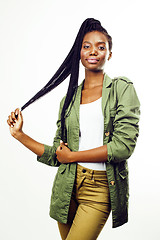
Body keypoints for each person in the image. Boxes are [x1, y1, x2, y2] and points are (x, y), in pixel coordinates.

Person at [7, 18, 140, 240]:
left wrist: (73, 156)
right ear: (79, 52)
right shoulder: (68, 100)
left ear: (109, 54)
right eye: (86, 46)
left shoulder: (121, 89)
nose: (93, 51)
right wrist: (20, 135)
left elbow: (123, 147)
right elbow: (59, 155)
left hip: (99, 189)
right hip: (66, 187)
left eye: (101, 46)